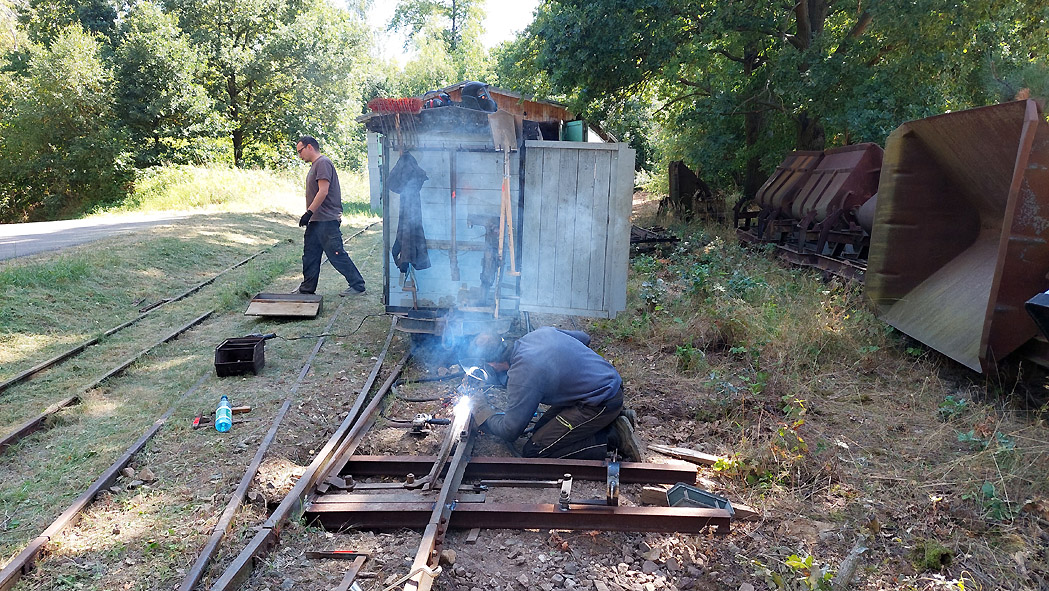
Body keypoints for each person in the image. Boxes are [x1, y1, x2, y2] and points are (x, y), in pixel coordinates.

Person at [470, 327, 642, 461]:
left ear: (493, 364)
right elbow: (584, 337)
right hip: (605, 385)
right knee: (540, 430)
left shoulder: (522, 374)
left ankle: (614, 437)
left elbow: (510, 430)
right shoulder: (536, 335)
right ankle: (609, 420)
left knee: (535, 450)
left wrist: (484, 414)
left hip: (600, 402)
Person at [293, 136, 366, 296]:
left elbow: (323, 191)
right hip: (316, 221)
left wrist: (309, 212)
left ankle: (358, 286)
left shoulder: (323, 163)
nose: (299, 156)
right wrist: (311, 216)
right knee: (310, 256)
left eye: (300, 151)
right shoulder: (315, 165)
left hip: (326, 220)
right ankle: (306, 289)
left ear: (309, 147)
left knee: (336, 254)